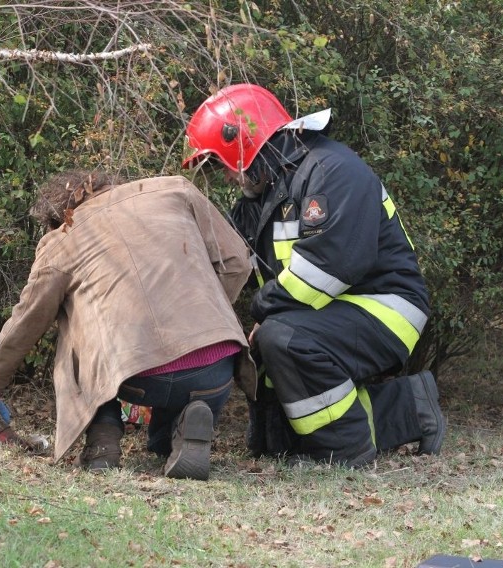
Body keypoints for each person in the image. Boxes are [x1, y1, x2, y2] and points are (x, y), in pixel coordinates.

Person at [182, 83, 445, 467]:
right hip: (324, 312)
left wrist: (262, 313)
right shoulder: (256, 204)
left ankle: (347, 449)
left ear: (245, 145)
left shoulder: (331, 171)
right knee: (275, 439)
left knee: (281, 338)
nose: (224, 177)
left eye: (222, 164)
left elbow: (327, 268)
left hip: (387, 306)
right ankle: (412, 408)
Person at [0, 170, 257, 480]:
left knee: (78, 329)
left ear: (57, 217)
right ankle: (185, 425)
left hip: (137, 376)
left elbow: (26, 323)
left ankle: (102, 442)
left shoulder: (63, 238)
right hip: (217, 371)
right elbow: (237, 262)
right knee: (165, 429)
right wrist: (203, 315)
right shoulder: (175, 189)